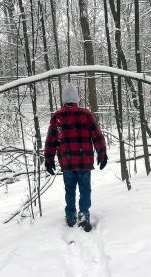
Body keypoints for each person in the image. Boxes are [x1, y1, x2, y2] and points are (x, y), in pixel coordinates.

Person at [44, 83, 107, 232]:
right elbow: (97, 136)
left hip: (67, 163)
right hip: (84, 161)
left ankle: (71, 216)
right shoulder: (86, 115)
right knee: (85, 189)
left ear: (64, 101)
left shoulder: (57, 117)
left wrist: (48, 160)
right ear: (76, 100)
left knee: (69, 189)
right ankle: (84, 215)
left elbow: (50, 141)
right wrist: (102, 154)